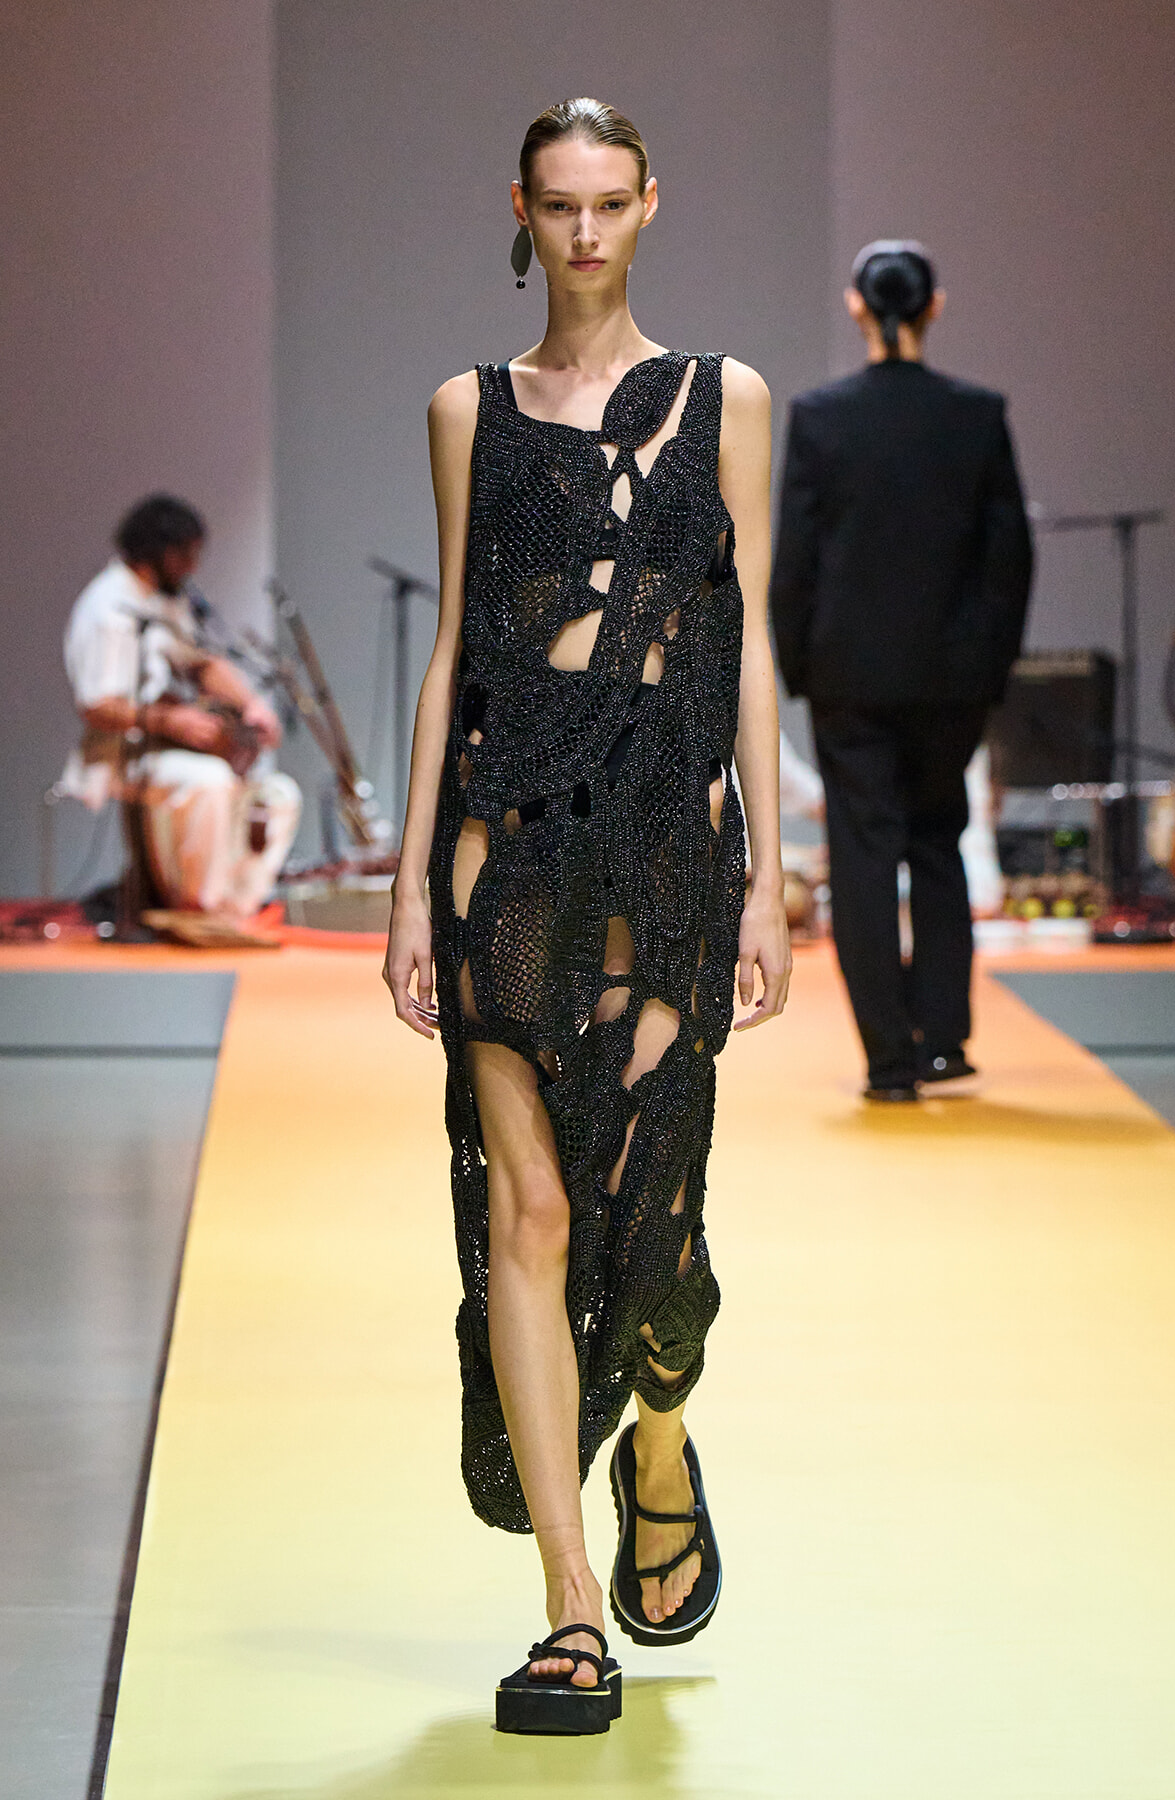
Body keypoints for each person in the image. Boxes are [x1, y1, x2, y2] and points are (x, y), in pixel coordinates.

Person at [383, 98, 790, 1732]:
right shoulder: (466, 412)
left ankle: (666, 1430)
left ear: (649, 207)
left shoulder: (728, 401)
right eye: (559, 206)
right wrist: (414, 886)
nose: (587, 234)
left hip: (670, 865)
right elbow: (451, 656)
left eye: (612, 204)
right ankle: (568, 1610)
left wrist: (770, 869)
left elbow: (746, 637)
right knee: (531, 1224)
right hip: (513, 853)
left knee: (656, 1240)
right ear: (525, 213)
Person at [770, 241, 1033, 1101]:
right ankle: (944, 1041)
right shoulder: (977, 414)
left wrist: (802, 668)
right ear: (935, 306)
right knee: (937, 841)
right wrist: (989, 672)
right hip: (951, 678)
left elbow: (796, 560)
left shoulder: (821, 417)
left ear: (857, 307)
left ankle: (888, 1059)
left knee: (864, 855)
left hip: (849, 675)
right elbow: (1009, 562)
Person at [61, 494, 300, 919]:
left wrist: (252, 705)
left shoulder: (165, 601)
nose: (193, 565)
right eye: (186, 553)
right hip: (125, 751)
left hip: (171, 745)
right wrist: (172, 721)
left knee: (278, 794)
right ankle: (197, 910)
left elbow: (202, 663)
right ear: (159, 551)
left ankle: (233, 909)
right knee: (208, 781)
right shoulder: (108, 606)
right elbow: (97, 704)